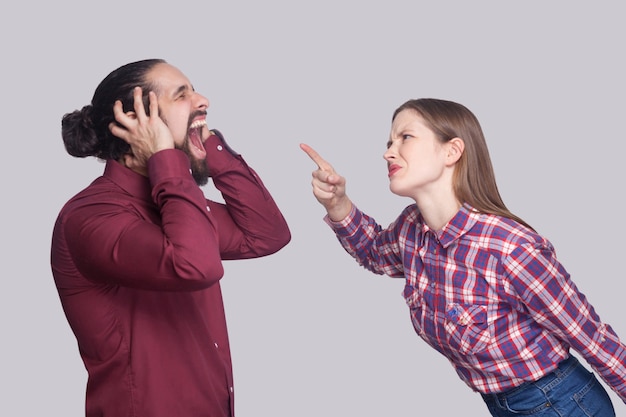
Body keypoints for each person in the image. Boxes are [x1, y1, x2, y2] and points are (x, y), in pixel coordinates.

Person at [300, 98, 625, 416]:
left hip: (559, 403)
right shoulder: (411, 229)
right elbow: (374, 253)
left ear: (452, 151)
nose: (388, 152)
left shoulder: (509, 247)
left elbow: (590, 336)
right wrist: (338, 204)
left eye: (405, 137)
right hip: (503, 404)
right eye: (389, 141)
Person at [51, 59, 291, 417]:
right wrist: (166, 157)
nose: (203, 100)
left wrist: (206, 148)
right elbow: (195, 266)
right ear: (137, 123)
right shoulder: (90, 217)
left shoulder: (175, 203)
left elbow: (266, 234)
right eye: (182, 96)